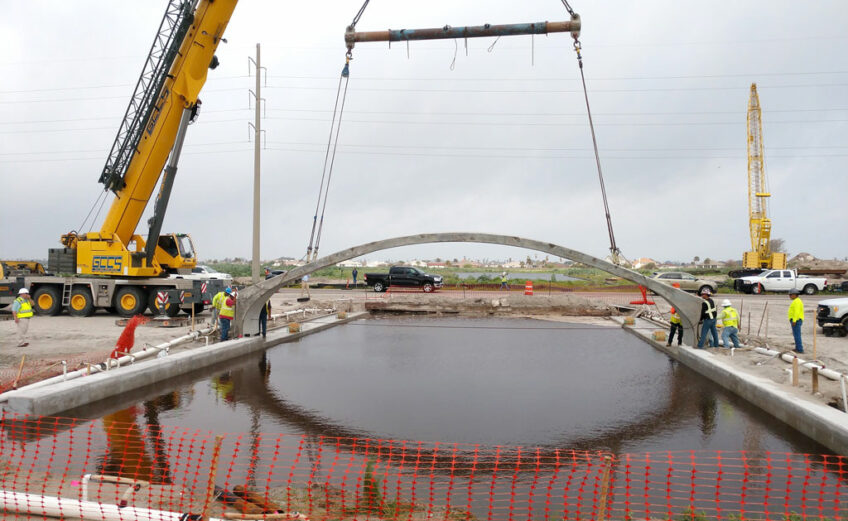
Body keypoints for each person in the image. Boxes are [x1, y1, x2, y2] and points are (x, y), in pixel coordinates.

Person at [788, 288, 804, 353]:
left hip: (796, 321)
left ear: (795, 295)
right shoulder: (796, 301)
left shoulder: (797, 301)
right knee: (796, 334)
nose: (790, 296)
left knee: (797, 335)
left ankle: (799, 349)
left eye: (790, 295)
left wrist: (794, 320)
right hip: (796, 320)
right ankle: (798, 347)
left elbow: (796, 312)